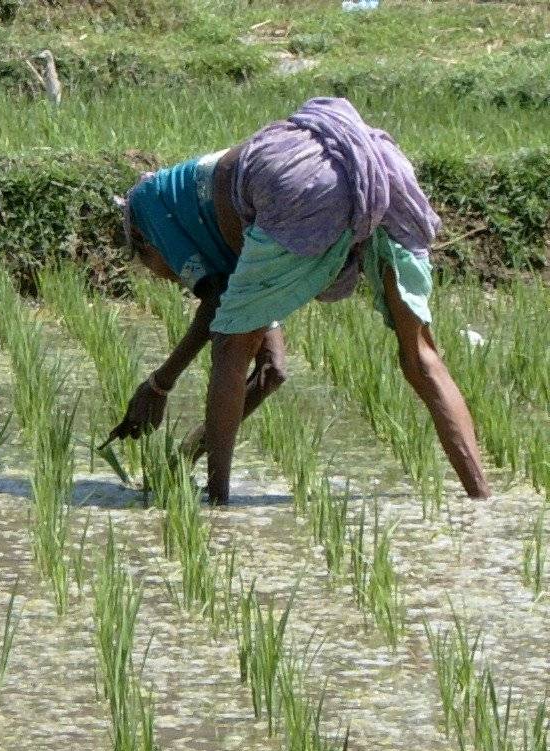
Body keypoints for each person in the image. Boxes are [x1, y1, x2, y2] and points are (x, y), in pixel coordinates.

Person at [109, 97, 491, 504]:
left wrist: (159, 384)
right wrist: (180, 451)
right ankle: (481, 497)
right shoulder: (212, 219)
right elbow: (269, 362)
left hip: (300, 182)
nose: (166, 279)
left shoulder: (147, 204)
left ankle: (216, 502)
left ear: (144, 246)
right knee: (419, 356)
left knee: (230, 348)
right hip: (381, 173)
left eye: (150, 269)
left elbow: (217, 308)